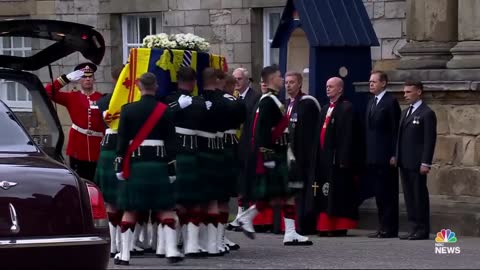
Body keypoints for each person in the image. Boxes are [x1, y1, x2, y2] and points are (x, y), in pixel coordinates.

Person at [236, 65, 311, 246]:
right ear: (271, 79)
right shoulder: (268, 101)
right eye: (279, 77)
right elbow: (262, 132)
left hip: (281, 152)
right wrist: (267, 158)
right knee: (278, 193)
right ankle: (248, 217)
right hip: (274, 154)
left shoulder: (272, 100)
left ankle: (290, 232)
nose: (282, 80)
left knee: (287, 192)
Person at [113, 73, 182, 265]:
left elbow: (122, 142)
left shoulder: (128, 110)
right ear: (156, 86)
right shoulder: (165, 110)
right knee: (166, 208)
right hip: (159, 166)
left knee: (131, 209)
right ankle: (171, 251)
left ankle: (125, 254)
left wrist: (119, 165)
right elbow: (171, 144)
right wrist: (171, 169)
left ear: (138, 86)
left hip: (136, 166)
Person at [164, 67, 209, 257]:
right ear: (193, 83)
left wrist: (174, 107)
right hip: (193, 154)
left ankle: (173, 244)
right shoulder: (199, 103)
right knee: (193, 201)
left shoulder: (169, 101)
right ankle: (191, 244)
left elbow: (161, 117)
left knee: (177, 201)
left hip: (174, 155)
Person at [44, 62, 105, 180]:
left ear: (94, 79)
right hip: (78, 145)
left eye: (90, 76)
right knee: (80, 180)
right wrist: (65, 79)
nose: (87, 79)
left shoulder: (102, 98)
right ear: (78, 80)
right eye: (83, 76)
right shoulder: (72, 97)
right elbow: (48, 92)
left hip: (97, 147)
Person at [315, 77, 358, 237]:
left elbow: (348, 136)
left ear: (340, 89)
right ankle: (325, 226)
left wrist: (344, 159)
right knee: (324, 192)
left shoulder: (347, 108)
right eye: (326, 86)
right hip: (324, 158)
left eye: (331, 86)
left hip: (338, 160)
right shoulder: (325, 108)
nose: (327, 89)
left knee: (337, 194)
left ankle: (338, 226)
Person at [397, 81, 437, 240]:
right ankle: (413, 227)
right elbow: (400, 138)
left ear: (419, 92)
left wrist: (425, 162)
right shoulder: (405, 112)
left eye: (408, 92)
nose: (405, 95)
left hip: (417, 162)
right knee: (409, 196)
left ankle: (422, 229)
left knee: (419, 195)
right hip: (405, 161)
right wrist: (397, 156)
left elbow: (429, 140)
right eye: (404, 92)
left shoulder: (426, 113)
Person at [284, 71, 322, 236]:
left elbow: (309, 134)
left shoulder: (307, 103)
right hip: (287, 155)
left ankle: (303, 225)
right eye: (286, 82)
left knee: (301, 192)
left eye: (291, 82)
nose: (288, 85)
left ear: (299, 84)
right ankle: (288, 226)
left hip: (302, 157)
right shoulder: (286, 104)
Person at [365, 71, 401, 238]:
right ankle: (382, 226)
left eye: (374, 81)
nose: (371, 84)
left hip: (387, 156)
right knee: (379, 193)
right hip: (373, 156)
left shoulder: (390, 102)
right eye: (370, 81)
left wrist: (394, 153)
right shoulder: (372, 101)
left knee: (388, 193)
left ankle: (390, 227)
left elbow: (395, 131)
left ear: (384, 83)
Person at [93, 65, 124, 257]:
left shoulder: (104, 100)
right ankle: (120, 243)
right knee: (120, 200)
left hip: (108, 148)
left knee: (111, 201)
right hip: (121, 148)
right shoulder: (128, 101)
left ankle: (114, 244)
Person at [228, 67, 262, 230]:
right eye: (234, 79)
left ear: (247, 80)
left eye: (239, 79)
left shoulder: (255, 97)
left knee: (247, 180)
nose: (236, 82)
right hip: (234, 144)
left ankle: (246, 216)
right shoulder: (232, 97)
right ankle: (240, 214)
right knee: (238, 180)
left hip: (248, 144)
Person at [218, 74, 246, 250]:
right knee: (223, 196)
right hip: (228, 147)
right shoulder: (233, 102)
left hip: (215, 146)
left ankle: (217, 236)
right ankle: (219, 236)